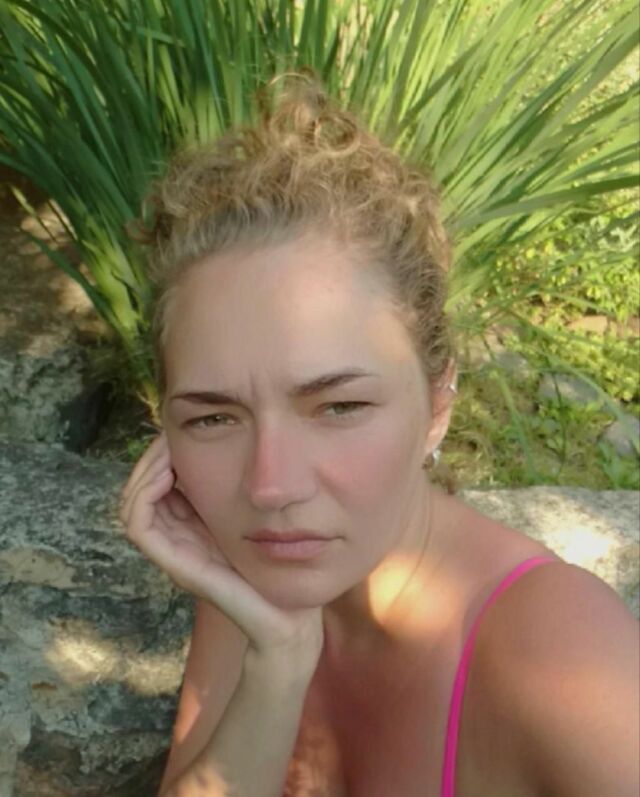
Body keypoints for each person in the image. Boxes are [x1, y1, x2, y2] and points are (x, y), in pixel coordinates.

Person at [119, 76, 639, 797]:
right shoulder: (252, 576)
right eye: (213, 418)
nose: (270, 486)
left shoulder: (562, 653)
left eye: (338, 407)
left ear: (437, 402)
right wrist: (278, 661)